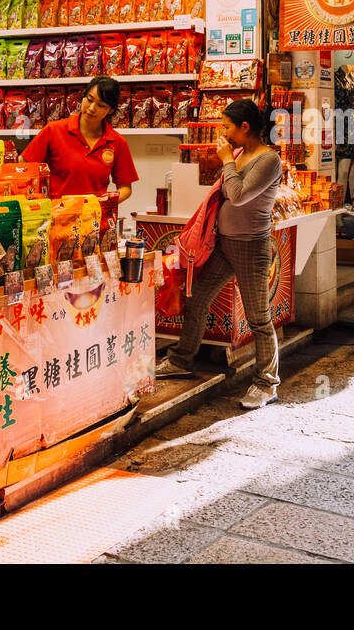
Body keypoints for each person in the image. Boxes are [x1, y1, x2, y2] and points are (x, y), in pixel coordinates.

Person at [154, 99, 284, 409]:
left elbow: (238, 195)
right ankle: (181, 360)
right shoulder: (240, 154)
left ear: (245, 127)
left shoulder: (268, 160)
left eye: (227, 126)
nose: (224, 133)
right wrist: (228, 159)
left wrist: (226, 159)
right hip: (223, 243)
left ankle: (267, 383)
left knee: (258, 318)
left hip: (251, 248)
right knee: (196, 298)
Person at [21, 76, 137, 204]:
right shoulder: (54, 130)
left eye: (101, 105)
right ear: (83, 97)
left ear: (110, 110)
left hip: (94, 218)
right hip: (57, 216)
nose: (92, 108)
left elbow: (125, 188)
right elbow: (23, 165)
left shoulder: (117, 142)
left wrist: (103, 203)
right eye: (89, 100)